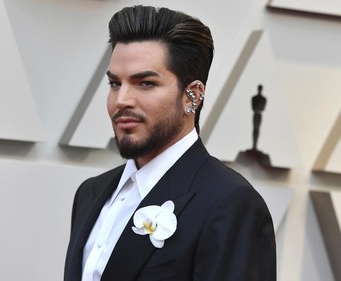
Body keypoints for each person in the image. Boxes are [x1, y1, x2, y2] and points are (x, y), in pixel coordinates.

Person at [64, 5, 276, 281]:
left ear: (193, 96)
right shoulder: (91, 193)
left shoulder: (230, 203)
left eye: (146, 84)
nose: (122, 100)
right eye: (115, 84)